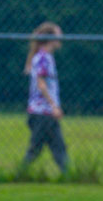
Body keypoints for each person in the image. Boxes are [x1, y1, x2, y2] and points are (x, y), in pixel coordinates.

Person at [20, 22, 69, 175]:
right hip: (43, 112)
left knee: (57, 147)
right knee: (37, 148)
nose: (61, 38)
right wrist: (54, 106)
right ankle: (20, 174)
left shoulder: (46, 57)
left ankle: (68, 174)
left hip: (45, 112)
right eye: (58, 34)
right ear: (51, 38)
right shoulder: (42, 58)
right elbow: (41, 85)